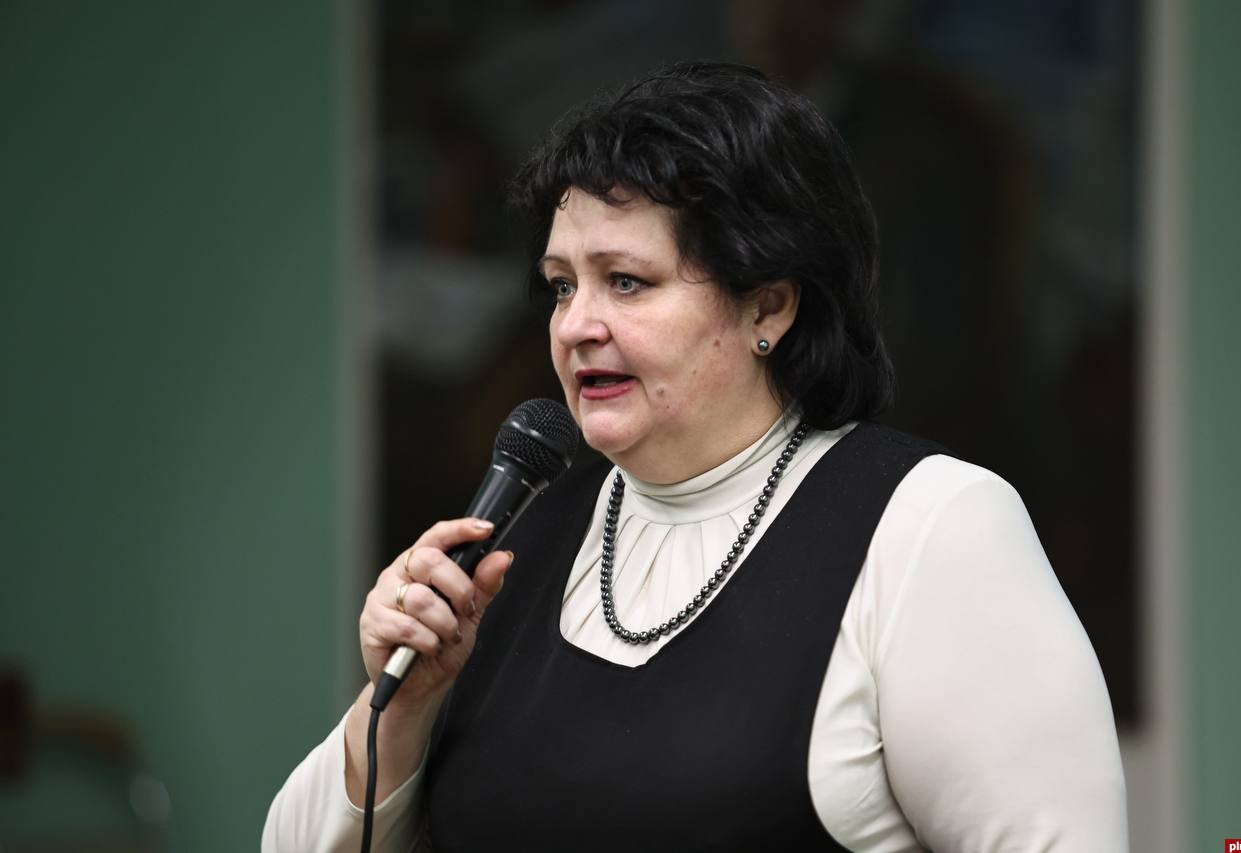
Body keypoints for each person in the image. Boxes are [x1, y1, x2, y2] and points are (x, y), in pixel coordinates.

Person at [264, 61, 1128, 852]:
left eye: (626, 281)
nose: (576, 325)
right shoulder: (517, 542)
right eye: (563, 285)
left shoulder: (930, 526)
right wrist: (403, 707)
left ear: (769, 306)